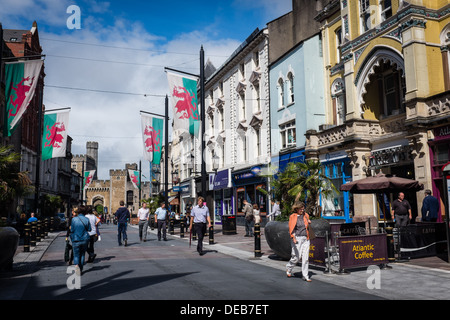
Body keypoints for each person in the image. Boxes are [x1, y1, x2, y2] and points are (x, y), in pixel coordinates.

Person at [286, 201, 312, 282]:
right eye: (300, 209)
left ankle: (305, 276)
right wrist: (293, 237)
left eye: (303, 208)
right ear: (296, 209)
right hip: (297, 238)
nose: (302, 210)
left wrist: (309, 223)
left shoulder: (306, 215)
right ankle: (289, 268)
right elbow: (291, 228)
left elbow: (307, 226)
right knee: (296, 257)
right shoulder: (292, 216)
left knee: (305, 258)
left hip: (306, 238)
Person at [70, 205, 91, 275]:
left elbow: (72, 230)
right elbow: (89, 229)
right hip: (84, 239)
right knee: (82, 254)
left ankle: (76, 266)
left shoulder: (74, 219)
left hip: (75, 239)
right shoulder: (87, 219)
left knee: (76, 255)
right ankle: (81, 269)